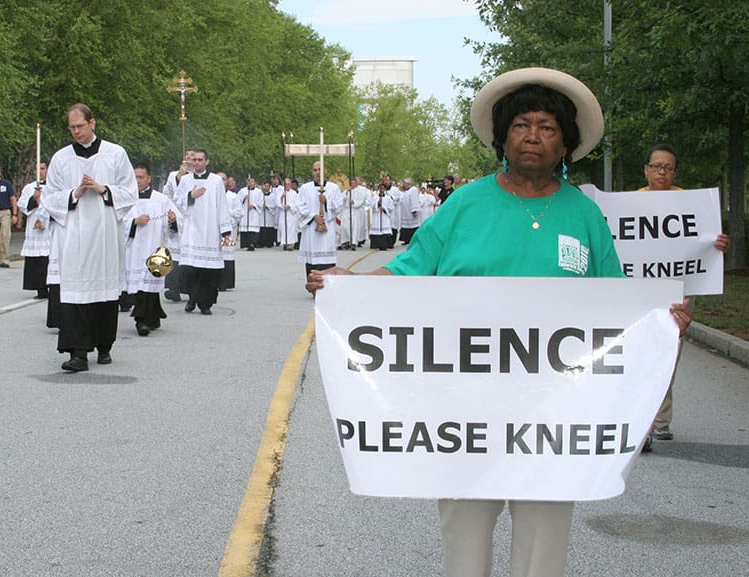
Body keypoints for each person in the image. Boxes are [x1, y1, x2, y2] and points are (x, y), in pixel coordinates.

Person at [306, 68, 694, 577]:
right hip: (466, 415)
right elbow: (411, 270)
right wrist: (347, 287)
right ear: (502, 137)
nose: (533, 136)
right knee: (464, 540)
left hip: (557, 416)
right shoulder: (465, 204)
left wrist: (661, 320)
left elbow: (617, 302)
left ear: (566, 144)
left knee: (544, 541)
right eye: (522, 125)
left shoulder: (583, 215)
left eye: (548, 127)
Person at [638, 143, 730, 443]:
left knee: (668, 355)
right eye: (656, 166)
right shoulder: (631, 203)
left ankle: (659, 420)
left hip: (679, 292)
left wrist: (717, 246)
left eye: (668, 167)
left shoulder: (690, 205)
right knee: (642, 356)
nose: (662, 172)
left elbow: (702, 247)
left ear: (675, 172)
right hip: (641, 294)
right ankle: (645, 423)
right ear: (646, 170)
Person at [43, 103, 138, 372]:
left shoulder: (115, 154)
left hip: (105, 234)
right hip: (72, 235)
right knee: (74, 294)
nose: (76, 132)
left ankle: (104, 345)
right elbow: (50, 197)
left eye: (80, 126)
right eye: (72, 127)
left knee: (104, 293)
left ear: (92, 123)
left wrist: (102, 188)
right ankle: (78, 353)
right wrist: (74, 193)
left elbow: (130, 192)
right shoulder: (61, 159)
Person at [123, 162, 180, 336]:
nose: (137, 181)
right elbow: (119, 222)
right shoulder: (126, 199)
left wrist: (172, 220)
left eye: (140, 177)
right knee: (140, 285)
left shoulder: (161, 200)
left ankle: (152, 317)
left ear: (149, 178)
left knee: (150, 284)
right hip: (134, 250)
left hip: (154, 248)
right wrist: (134, 222)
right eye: (134, 177)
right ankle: (141, 321)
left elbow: (176, 223)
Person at [175, 148, 232, 314]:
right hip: (192, 231)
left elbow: (222, 205)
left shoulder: (215, 181)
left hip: (210, 230)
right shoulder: (185, 180)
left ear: (207, 162)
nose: (197, 162)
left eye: (201, 160)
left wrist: (225, 230)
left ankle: (205, 303)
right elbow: (177, 202)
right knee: (191, 269)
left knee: (208, 271)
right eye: (195, 160)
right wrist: (190, 195)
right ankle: (192, 299)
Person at [297, 161, 343, 279]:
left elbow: (338, 206)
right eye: (315, 170)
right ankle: (313, 286)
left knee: (326, 259)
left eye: (320, 170)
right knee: (312, 260)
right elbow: (300, 206)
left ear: (325, 171)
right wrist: (313, 216)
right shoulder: (305, 188)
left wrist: (326, 202)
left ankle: (328, 286)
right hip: (311, 229)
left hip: (327, 229)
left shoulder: (334, 188)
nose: (317, 173)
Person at [162, 148, 196, 303]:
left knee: (190, 255)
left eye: (192, 156)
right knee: (175, 253)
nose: (188, 158)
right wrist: (179, 177)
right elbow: (167, 193)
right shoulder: (173, 175)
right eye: (187, 155)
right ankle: (174, 288)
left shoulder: (197, 177)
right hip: (176, 215)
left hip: (192, 217)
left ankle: (190, 289)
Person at [17, 161, 51, 298]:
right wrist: (34, 199)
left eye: (42, 169)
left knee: (48, 258)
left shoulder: (53, 186)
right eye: (37, 169)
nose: (40, 172)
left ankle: (52, 287)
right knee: (36, 259)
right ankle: (40, 289)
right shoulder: (29, 187)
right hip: (34, 227)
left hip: (49, 228)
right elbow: (22, 204)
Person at [367, 182, 394, 250]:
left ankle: (385, 244)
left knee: (384, 230)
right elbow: (372, 205)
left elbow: (391, 208)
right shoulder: (375, 197)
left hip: (384, 216)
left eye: (382, 188)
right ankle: (376, 244)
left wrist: (385, 209)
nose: (381, 190)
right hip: (377, 215)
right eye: (380, 188)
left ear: (385, 189)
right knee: (377, 229)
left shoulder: (388, 198)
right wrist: (377, 205)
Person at [277, 176, 300, 250]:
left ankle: (290, 244)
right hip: (283, 214)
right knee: (283, 228)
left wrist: (290, 206)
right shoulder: (280, 192)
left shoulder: (294, 193)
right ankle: (285, 243)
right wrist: (282, 197)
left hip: (291, 214)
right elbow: (277, 203)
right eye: (286, 184)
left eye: (288, 184)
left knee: (291, 229)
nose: (287, 185)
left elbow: (297, 204)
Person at [398, 177, 421, 245]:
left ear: (408, 184)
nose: (404, 185)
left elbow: (414, 200)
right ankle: (406, 239)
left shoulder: (413, 190)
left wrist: (414, 210)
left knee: (413, 226)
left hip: (411, 212)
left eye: (405, 183)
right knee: (406, 226)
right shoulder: (407, 191)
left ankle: (413, 239)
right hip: (405, 212)